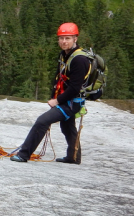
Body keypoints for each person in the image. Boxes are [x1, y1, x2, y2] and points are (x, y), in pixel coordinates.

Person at [10, 22, 90, 164]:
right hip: (67, 100)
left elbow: (74, 88)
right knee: (67, 127)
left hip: (71, 102)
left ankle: (23, 155)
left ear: (75, 39)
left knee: (42, 121)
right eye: (61, 38)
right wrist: (54, 96)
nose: (64, 41)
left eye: (68, 38)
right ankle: (74, 157)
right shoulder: (65, 55)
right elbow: (59, 77)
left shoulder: (79, 60)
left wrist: (57, 101)